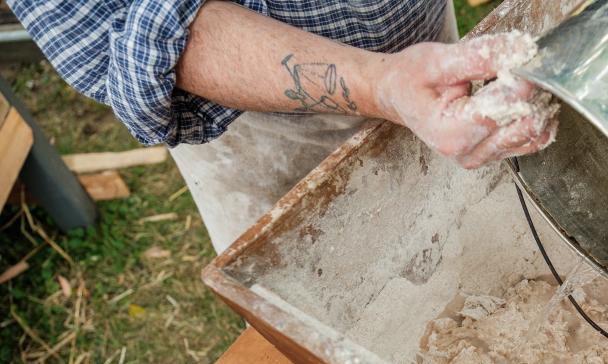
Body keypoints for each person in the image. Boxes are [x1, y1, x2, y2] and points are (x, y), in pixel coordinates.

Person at [9, 1, 555, 251]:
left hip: (428, 50)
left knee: (465, 243)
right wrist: (378, 83)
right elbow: (118, 27)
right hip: (261, 121)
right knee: (343, 313)